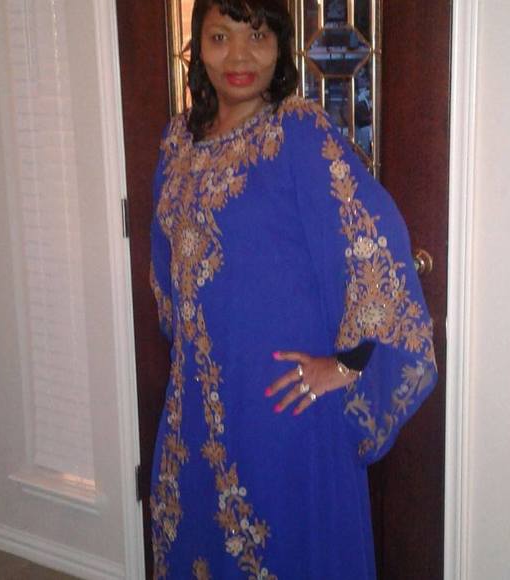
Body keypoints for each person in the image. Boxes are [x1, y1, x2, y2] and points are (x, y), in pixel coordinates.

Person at [149, 0, 437, 578]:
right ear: (198, 48)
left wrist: (350, 364)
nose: (239, 56)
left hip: (281, 403)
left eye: (257, 36)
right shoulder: (177, 142)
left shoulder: (298, 132)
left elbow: (374, 243)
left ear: (280, 47)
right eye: (220, 37)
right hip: (197, 401)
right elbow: (168, 266)